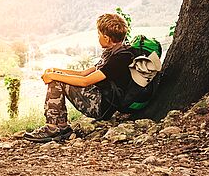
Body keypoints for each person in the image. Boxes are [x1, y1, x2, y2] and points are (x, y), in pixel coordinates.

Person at [24, 12, 134, 143]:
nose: (98, 38)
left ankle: (53, 128)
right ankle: (61, 127)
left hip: (101, 106)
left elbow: (85, 81)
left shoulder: (120, 59)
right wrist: (56, 70)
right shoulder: (112, 52)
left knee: (56, 80)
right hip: (99, 98)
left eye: (98, 35)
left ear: (107, 38)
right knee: (58, 78)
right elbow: (84, 73)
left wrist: (54, 76)